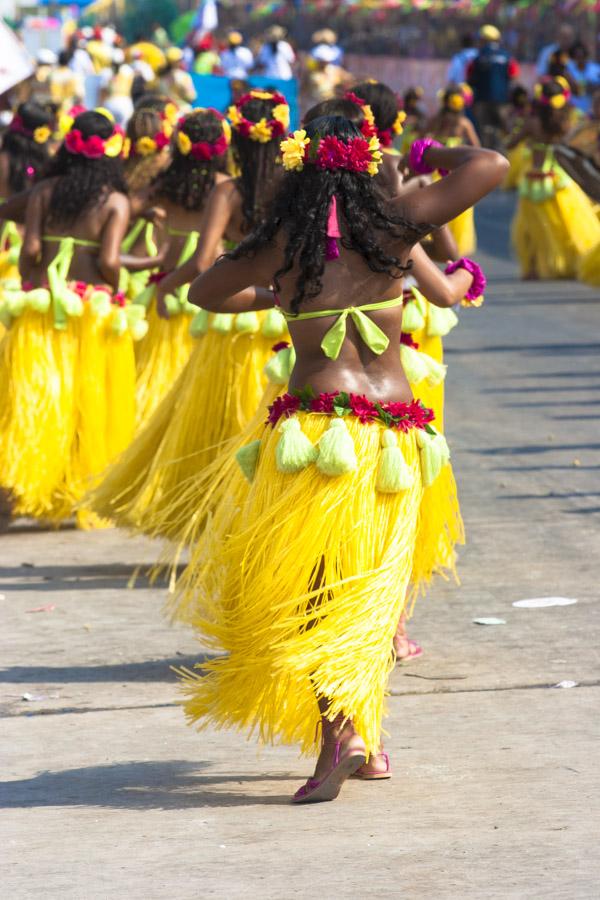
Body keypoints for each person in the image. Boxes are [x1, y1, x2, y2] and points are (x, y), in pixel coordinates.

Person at [173, 115, 507, 803]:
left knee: (320, 596)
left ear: (299, 171)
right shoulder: (395, 225)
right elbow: (490, 164)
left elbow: (201, 292)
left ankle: (342, 737)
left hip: (313, 444)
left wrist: (276, 294)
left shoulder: (281, 246)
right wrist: (428, 148)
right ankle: (371, 740)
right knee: (371, 595)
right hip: (393, 437)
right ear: (365, 164)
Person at [88, 90, 289, 536]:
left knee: (217, 419)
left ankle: (213, 509)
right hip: (280, 316)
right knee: (269, 415)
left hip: (232, 314)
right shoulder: (293, 184)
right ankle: (265, 516)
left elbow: (203, 264)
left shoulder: (229, 191)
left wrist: (167, 283)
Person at [0, 111, 144, 528]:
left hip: (43, 306)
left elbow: (28, 250)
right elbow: (110, 261)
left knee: (37, 398)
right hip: (93, 310)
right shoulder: (115, 201)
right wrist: (116, 287)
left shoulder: (45, 191)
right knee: (88, 403)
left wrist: (32, 278)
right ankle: (80, 491)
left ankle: (31, 486)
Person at [130, 108, 232, 426]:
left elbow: (124, 206)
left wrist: (146, 215)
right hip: (207, 297)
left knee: (152, 383)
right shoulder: (226, 186)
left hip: (166, 292)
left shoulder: (164, 185)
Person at [510, 77, 600, 279]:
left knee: (530, 230)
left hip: (533, 179)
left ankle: (532, 269)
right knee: (569, 226)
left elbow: (510, 144)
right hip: (560, 178)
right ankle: (574, 264)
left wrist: (524, 138)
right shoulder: (568, 122)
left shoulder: (531, 123)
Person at [424, 84, 480, 255]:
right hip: (456, 173)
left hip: (435, 172)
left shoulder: (435, 120)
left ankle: (435, 244)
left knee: (434, 206)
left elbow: (422, 139)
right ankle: (452, 248)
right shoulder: (463, 123)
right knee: (458, 209)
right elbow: (477, 147)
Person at [467, 24, 519, 148]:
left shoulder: (477, 58)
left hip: (481, 102)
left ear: (483, 40)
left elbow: (469, 80)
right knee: (504, 132)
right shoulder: (507, 57)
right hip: (502, 103)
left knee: (483, 133)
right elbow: (514, 78)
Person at [565, 41, 600, 116]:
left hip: (593, 111)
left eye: (582, 55)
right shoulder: (569, 70)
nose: (579, 58)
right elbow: (573, 89)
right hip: (574, 111)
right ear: (573, 57)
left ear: (585, 55)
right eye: (577, 56)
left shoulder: (596, 69)